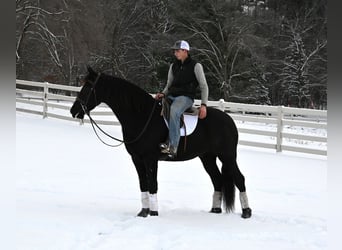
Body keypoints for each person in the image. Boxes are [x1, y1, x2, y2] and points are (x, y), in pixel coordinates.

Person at [155, 40, 209, 158]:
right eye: (174, 51)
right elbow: (169, 85)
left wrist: (204, 105)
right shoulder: (173, 66)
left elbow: (204, 86)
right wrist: (163, 94)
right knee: (157, 107)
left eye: (177, 51)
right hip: (171, 95)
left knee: (174, 110)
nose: (175, 53)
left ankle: (173, 146)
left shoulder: (196, 66)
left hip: (185, 97)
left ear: (185, 51)